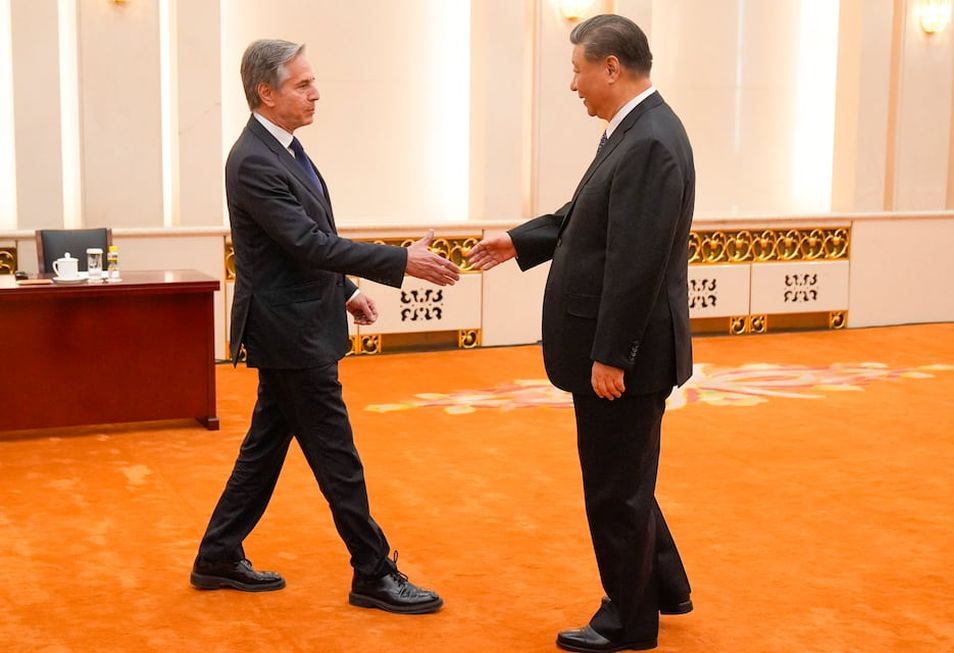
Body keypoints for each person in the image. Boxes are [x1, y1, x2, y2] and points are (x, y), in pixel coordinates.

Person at [191, 39, 459, 615]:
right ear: (266, 92)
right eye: (303, 84)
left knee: (264, 450)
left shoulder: (285, 150)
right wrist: (397, 261)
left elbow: (304, 247)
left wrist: (347, 291)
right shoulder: (255, 159)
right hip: (290, 336)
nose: (316, 93)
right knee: (337, 457)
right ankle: (372, 571)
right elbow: (305, 242)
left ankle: (217, 555)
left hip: (299, 324)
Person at [468, 14, 695, 652]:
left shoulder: (649, 140)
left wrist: (610, 355)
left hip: (626, 355)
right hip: (628, 348)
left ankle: (628, 621)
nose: (574, 86)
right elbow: (586, 215)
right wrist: (520, 241)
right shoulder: (637, 131)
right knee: (627, 475)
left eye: (576, 71)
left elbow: (636, 262)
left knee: (614, 487)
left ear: (611, 68)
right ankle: (666, 586)